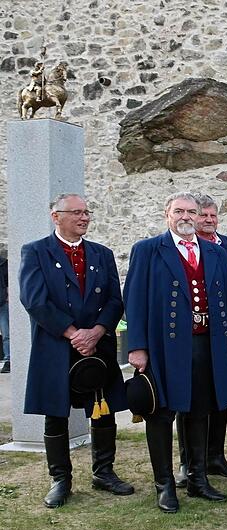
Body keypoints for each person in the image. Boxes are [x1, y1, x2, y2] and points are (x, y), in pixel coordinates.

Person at [125, 191, 227, 513]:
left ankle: (197, 479)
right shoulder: (148, 250)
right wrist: (137, 347)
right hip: (164, 346)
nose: (186, 217)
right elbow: (133, 300)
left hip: (207, 344)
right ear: (168, 215)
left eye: (191, 211)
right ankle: (164, 485)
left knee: (200, 411)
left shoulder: (215, 252)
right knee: (161, 413)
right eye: (179, 211)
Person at [20, 194, 133, 508]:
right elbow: (34, 300)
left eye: (87, 212)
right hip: (57, 345)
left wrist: (96, 332)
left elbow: (115, 300)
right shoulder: (36, 251)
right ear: (56, 216)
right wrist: (74, 334)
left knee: (103, 409)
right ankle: (60, 479)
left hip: (97, 346)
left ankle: (104, 472)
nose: (84, 218)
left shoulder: (101, 253)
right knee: (56, 414)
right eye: (76, 212)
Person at [189, 194, 227, 481]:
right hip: (192, 336)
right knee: (191, 399)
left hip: (219, 334)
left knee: (220, 393)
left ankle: (216, 456)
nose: (209, 220)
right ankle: (190, 461)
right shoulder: (184, 249)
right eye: (204, 215)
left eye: (213, 215)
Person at [0, 251, 9, 373]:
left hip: (2, 302)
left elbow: (8, 281)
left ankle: (8, 359)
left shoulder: (3, 263)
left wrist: (8, 297)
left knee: (6, 333)